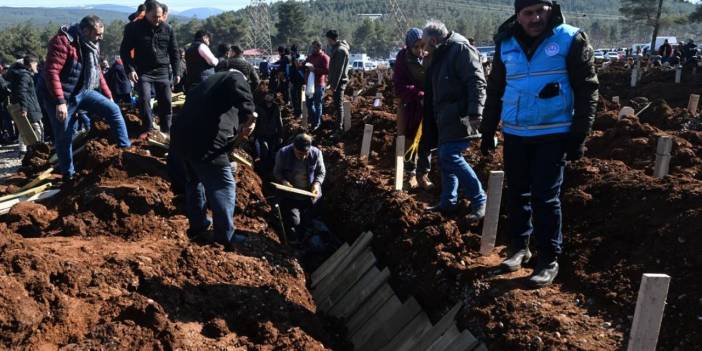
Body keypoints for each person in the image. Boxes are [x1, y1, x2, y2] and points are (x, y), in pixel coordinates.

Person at [480, 0, 599, 287]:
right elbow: (496, 88)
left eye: (540, 11)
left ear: (550, 9)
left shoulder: (570, 39)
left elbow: (587, 88)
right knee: (517, 193)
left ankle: (548, 259)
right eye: (528, 13)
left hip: (553, 133)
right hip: (516, 132)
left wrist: (579, 135)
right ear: (518, 16)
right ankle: (519, 248)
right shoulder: (506, 43)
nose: (535, 18)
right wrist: (487, 130)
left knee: (545, 197)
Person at [170, 66, 257, 246]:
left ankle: (198, 227)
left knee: (195, 181)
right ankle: (225, 237)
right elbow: (238, 85)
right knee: (224, 184)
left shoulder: (206, 85)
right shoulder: (234, 77)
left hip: (182, 139)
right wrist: (248, 115)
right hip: (205, 141)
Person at [42, 15, 131, 181]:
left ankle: (126, 151)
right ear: (85, 30)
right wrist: (60, 102)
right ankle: (68, 175)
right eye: (97, 34)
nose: (101, 37)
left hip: (82, 91)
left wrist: (108, 95)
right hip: (59, 96)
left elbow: (97, 71)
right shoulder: (63, 41)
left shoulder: (91, 45)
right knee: (64, 135)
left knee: (113, 109)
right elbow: (51, 72)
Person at [421, 20, 487, 219]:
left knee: (450, 155)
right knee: (444, 156)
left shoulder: (460, 49)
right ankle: (448, 201)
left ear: (433, 40)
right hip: (444, 115)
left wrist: (476, 112)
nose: (423, 48)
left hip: (459, 114)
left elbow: (476, 81)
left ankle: (479, 199)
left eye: (424, 44)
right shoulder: (442, 52)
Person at [120, 0, 181, 137]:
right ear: (146, 13)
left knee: (166, 100)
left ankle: (166, 130)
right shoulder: (133, 28)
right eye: (154, 17)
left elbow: (174, 52)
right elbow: (124, 51)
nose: (157, 20)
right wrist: (130, 69)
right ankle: (147, 128)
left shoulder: (168, 29)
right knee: (144, 99)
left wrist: (177, 72)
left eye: (160, 16)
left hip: (162, 70)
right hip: (143, 70)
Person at [393, 28, 434, 191]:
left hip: (429, 105)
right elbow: (399, 85)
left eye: (421, 46)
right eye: (415, 47)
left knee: (427, 140)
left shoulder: (430, 55)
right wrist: (418, 94)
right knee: (409, 139)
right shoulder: (402, 58)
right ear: (409, 46)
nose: (419, 50)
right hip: (410, 106)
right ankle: (410, 174)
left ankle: (423, 175)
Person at [273, 133, 325, 241]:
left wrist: (316, 184)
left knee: (309, 220)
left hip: (310, 194)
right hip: (291, 196)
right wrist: (284, 181)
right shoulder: (283, 153)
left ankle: (307, 232)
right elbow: (277, 172)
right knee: (295, 222)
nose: (303, 156)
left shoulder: (316, 153)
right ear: (294, 147)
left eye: (306, 153)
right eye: (300, 153)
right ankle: (294, 237)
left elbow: (321, 172)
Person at [6, 54, 44, 154]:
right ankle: (37, 150)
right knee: (37, 127)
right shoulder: (24, 75)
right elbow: (22, 92)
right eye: (36, 64)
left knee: (25, 128)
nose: (37, 66)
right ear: (31, 64)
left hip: (27, 105)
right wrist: (24, 108)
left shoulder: (19, 74)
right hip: (29, 106)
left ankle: (23, 150)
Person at [253, 89, 283, 179]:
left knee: (272, 153)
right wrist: (253, 135)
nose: (268, 96)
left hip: (273, 134)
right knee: (264, 151)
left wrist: (281, 135)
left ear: (273, 97)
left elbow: (279, 121)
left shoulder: (276, 107)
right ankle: (262, 172)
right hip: (262, 134)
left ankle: (271, 173)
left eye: (270, 95)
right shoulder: (259, 107)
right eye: (267, 95)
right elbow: (255, 122)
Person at [326, 30, 351, 132]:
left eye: (327, 39)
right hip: (336, 82)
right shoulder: (337, 48)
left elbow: (338, 70)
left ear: (330, 39)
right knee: (337, 105)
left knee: (338, 105)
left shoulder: (340, 50)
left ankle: (339, 128)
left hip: (339, 82)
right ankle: (338, 125)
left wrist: (334, 86)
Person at [304, 41, 330, 130]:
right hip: (309, 84)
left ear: (319, 48)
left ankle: (317, 123)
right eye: (312, 48)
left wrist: (314, 69)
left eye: (315, 48)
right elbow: (304, 65)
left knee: (318, 104)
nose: (313, 49)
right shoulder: (310, 57)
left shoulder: (324, 57)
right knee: (309, 104)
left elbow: (326, 70)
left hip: (319, 84)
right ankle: (314, 120)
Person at [289, 45, 305, 119]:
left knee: (298, 97)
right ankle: (296, 112)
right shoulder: (293, 58)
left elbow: (298, 68)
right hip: (294, 80)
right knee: (295, 97)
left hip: (298, 81)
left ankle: (299, 113)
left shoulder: (298, 58)